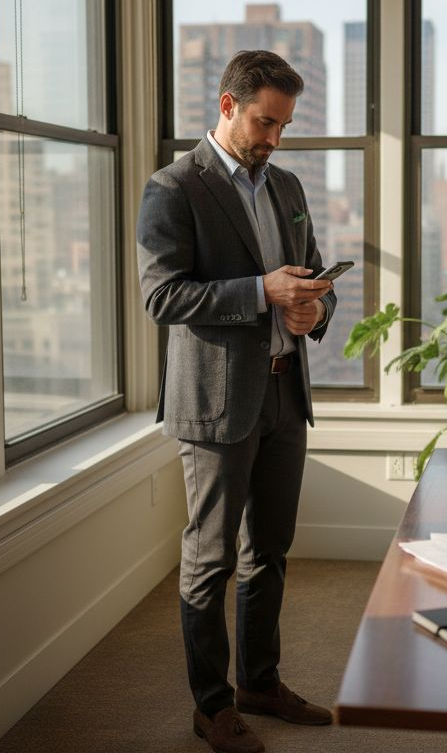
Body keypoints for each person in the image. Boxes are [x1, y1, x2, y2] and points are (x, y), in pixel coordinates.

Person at [136, 50, 337, 753]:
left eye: (283, 125)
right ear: (227, 106)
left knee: (270, 552)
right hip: (217, 405)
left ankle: (260, 681)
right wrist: (262, 293)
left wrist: (315, 308)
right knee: (211, 558)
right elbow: (163, 296)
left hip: (285, 393)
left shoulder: (284, 185)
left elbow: (312, 278)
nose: (274, 139)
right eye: (264, 122)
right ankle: (212, 705)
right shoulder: (173, 188)